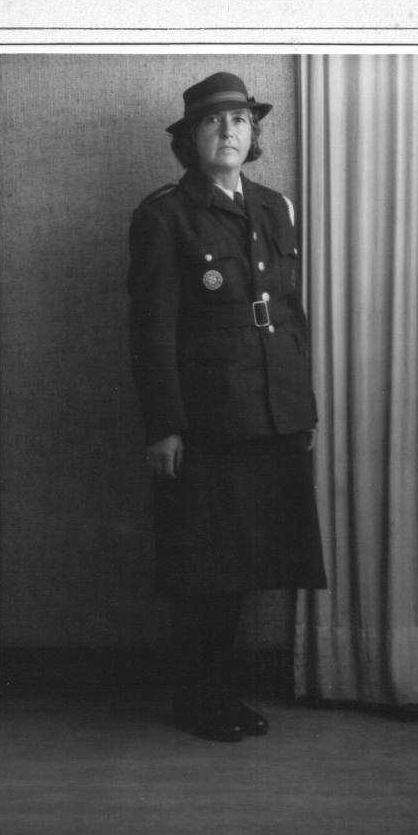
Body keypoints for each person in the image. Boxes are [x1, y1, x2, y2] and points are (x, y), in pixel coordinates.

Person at [127, 72, 327, 742]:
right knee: (206, 567)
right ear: (191, 139)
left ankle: (220, 693)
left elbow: (291, 316)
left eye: (240, 120)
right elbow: (152, 329)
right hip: (208, 420)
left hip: (271, 412)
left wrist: (300, 408)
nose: (229, 131)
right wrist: (165, 426)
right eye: (213, 122)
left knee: (246, 564)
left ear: (253, 133)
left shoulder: (275, 207)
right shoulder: (164, 215)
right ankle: (199, 699)